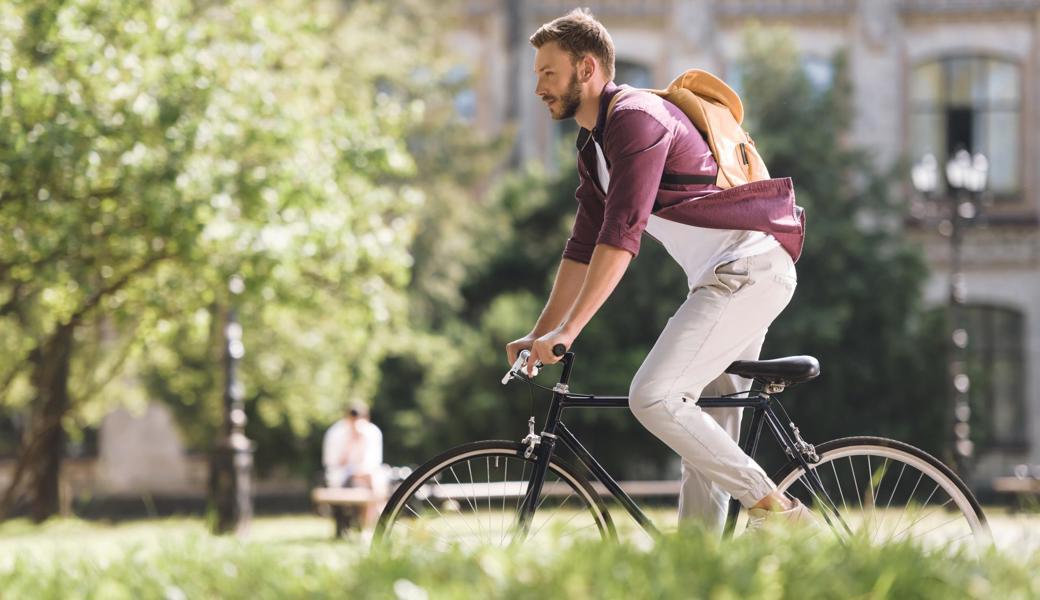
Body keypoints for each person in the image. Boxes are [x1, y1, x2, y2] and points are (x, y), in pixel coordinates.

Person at [506, 9, 811, 533]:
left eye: (548, 73)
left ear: (586, 69)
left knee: (652, 396)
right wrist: (542, 332)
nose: (538, 87)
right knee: (706, 438)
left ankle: (779, 512)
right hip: (732, 277)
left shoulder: (637, 117)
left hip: (747, 270)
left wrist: (568, 333)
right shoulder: (594, 145)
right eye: (536, 75)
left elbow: (621, 234)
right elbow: (581, 247)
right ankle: (698, 573)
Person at [322, 402, 387, 530]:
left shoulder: (372, 432)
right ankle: (377, 521)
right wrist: (350, 444)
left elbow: (374, 462)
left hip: (367, 475)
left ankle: (370, 524)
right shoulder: (336, 433)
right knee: (371, 482)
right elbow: (331, 463)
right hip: (342, 475)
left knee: (373, 480)